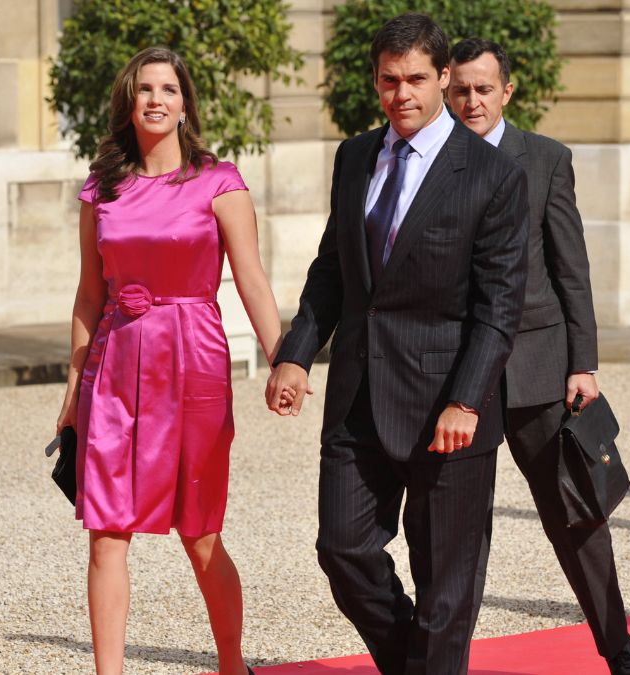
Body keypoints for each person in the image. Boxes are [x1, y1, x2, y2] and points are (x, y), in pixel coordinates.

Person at [266, 14, 529, 674]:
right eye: (389, 79)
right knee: (342, 547)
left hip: (448, 407)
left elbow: (499, 306)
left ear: (443, 76)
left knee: (446, 583)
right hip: (358, 394)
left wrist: (467, 400)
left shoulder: (492, 175)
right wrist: (297, 352)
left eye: (416, 78)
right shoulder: (355, 157)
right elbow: (332, 268)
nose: (402, 93)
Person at [55, 47, 282, 675]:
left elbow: (253, 282)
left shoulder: (219, 181)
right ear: (128, 102)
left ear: (185, 104)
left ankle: (232, 666)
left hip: (193, 363)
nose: (157, 99)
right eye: (145, 89)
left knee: (200, 531)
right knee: (105, 528)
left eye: (169, 89)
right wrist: (74, 387)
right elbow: (87, 293)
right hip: (115, 360)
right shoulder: (100, 188)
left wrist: (283, 361)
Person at [445, 38, 630, 675]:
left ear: (508, 91)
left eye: (484, 89)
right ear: (447, 92)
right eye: (461, 90)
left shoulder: (547, 159)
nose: (472, 101)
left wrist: (582, 363)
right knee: (458, 535)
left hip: (540, 371)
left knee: (578, 519)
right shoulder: (426, 160)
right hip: (459, 379)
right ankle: (442, 663)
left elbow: (571, 268)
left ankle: (621, 653)